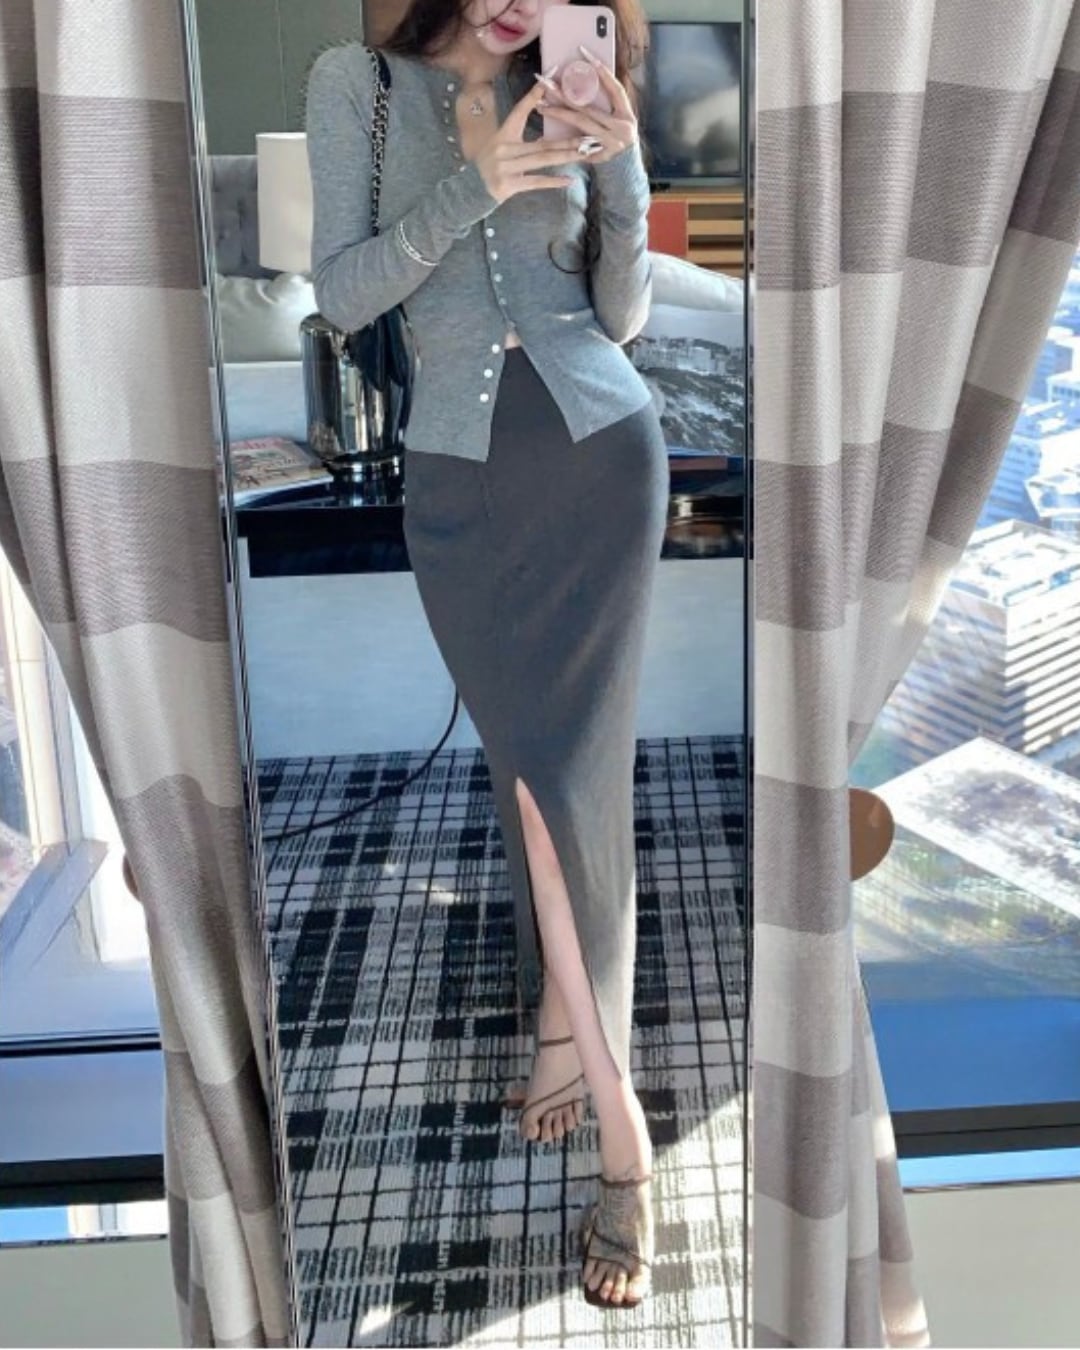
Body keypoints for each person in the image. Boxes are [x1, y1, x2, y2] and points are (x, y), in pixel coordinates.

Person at [305, 0, 666, 1309]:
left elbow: (620, 316)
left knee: (575, 784)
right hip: (461, 483)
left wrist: (622, 160)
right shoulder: (360, 86)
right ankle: (567, 1018)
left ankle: (617, 1125)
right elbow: (343, 293)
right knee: (531, 771)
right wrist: (481, 183)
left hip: (599, 460)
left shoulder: (566, 80)